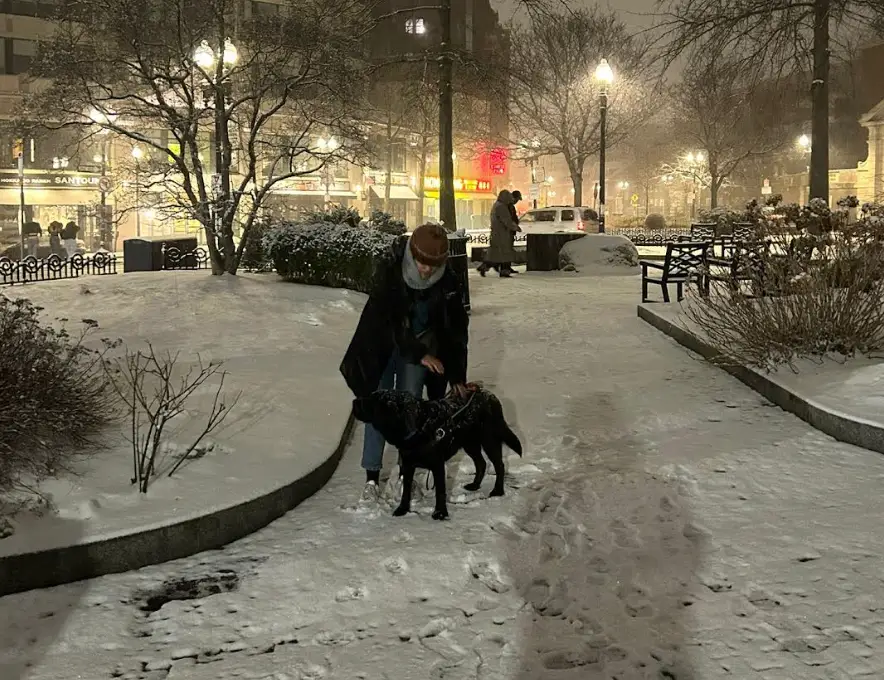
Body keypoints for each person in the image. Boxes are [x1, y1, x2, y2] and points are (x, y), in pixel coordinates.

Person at [340, 223, 470, 504]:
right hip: (382, 348)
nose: (425, 271)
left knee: (409, 408)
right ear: (412, 254)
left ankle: (404, 473)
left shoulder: (448, 281)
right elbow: (389, 321)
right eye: (422, 263)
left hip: (420, 349)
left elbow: (456, 331)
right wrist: (420, 354)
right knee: (379, 408)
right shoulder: (389, 268)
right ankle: (371, 478)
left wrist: (457, 375)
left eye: (432, 266)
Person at [478, 190, 520, 277]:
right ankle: (504, 271)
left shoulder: (497, 205)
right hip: (503, 233)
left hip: (497, 233)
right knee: (505, 253)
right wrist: (515, 227)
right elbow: (507, 220)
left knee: (496, 253)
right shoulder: (502, 207)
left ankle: (485, 266)